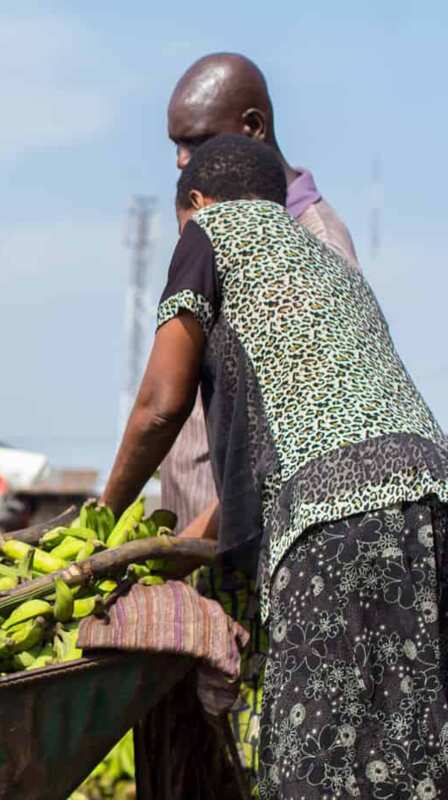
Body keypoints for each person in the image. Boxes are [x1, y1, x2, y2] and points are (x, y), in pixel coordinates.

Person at [101, 133, 448, 798]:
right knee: (414, 757)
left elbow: (158, 405)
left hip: (334, 525)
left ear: (197, 202)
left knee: (313, 763)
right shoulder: (324, 264)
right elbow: (278, 467)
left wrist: (98, 516)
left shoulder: (212, 230)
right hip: (432, 497)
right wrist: (180, 552)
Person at [163, 52, 359, 536]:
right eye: (176, 144)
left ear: (253, 127)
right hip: (201, 539)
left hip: (252, 545)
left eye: (197, 141)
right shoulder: (221, 219)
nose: (181, 160)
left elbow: (308, 433)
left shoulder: (317, 242)